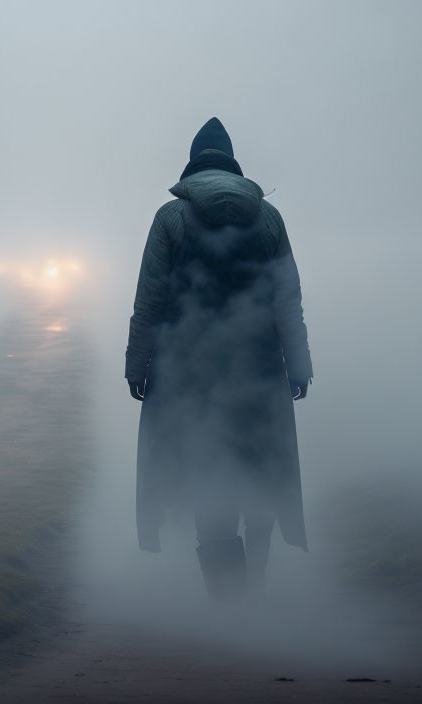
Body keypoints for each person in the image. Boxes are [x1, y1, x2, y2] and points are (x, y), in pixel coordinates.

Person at [125, 117, 313, 600]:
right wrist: (299, 363)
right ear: (232, 163)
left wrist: (137, 363)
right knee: (260, 468)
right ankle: (256, 590)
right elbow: (286, 297)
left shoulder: (170, 218)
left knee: (210, 473)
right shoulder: (269, 219)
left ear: (192, 167)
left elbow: (150, 299)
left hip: (190, 376)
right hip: (261, 369)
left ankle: (230, 607)